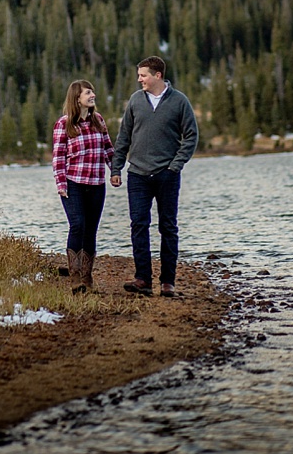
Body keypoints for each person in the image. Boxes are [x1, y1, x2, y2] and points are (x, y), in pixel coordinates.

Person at [110, 56, 198, 297]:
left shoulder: (180, 101)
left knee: (168, 227)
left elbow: (191, 136)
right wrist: (116, 169)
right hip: (137, 174)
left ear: (158, 75)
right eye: (139, 75)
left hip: (166, 175)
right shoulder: (135, 101)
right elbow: (124, 137)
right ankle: (143, 279)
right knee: (139, 225)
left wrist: (175, 166)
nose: (140, 79)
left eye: (143, 75)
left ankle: (167, 282)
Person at [52, 79, 113, 294]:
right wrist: (61, 183)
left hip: (97, 184)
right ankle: (75, 276)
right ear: (77, 98)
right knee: (77, 224)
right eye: (88, 92)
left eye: (93, 91)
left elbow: (108, 149)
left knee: (91, 230)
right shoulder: (64, 124)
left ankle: (87, 277)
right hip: (73, 183)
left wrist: (114, 171)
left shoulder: (98, 121)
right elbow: (58, 157)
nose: (92, 95)